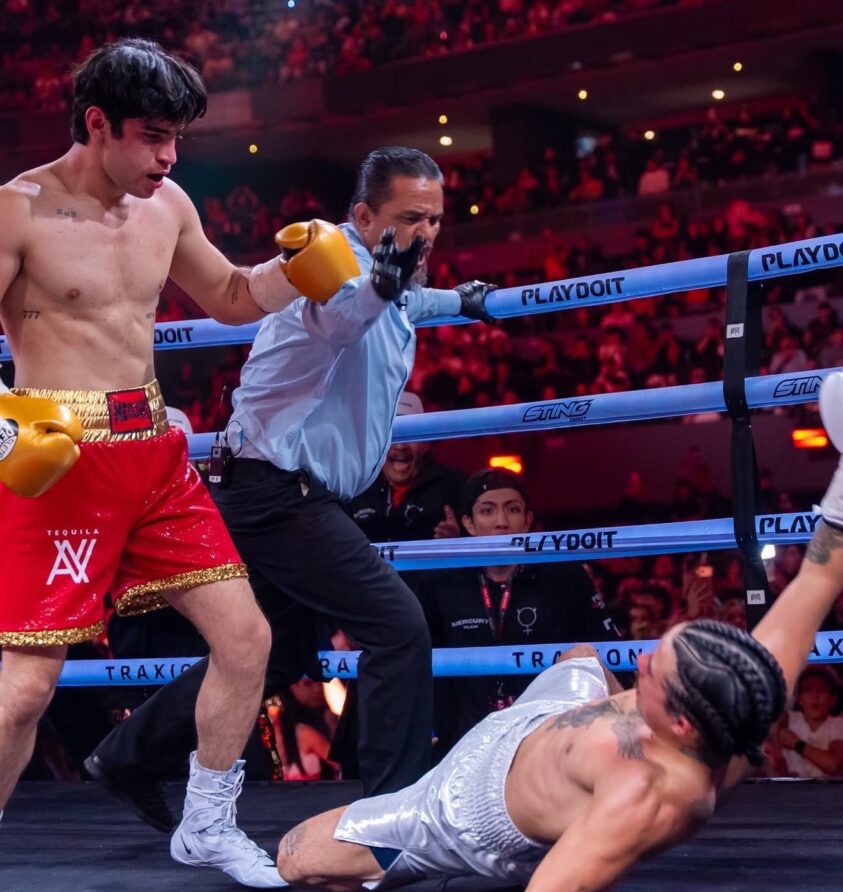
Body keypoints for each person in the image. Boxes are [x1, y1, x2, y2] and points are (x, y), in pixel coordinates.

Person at [277, 371, 843, 892]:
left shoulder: (646, 795)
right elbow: (819, 578)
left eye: (657, 670)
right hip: (542, 721)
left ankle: (459, 866)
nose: (643, 663)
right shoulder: (745, 688)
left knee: (297, 857)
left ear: (682, 723)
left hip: (466, 809)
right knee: (581, 656)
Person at [0, 38, 359, 888]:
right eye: (153, 137)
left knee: (246, 638)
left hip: (155, 453)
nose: (168, 157)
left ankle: (206, 826)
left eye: (177, 140)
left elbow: (231, 297)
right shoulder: (17, 210)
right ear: (98, 123)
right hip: (62, 461)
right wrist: (6, 429)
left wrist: (297, 272)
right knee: (26, 688)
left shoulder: (167, 205)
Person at [84, 146, 496, 828]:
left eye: (434, 219)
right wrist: (385, 287)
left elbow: (400, 300)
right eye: (409, 219)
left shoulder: (384, 276)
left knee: (272, 650)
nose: (425, 233)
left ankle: (128, 756)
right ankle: (389, 816)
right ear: (364, 216)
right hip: (279, 494)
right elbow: (345, 313)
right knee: (398, 628)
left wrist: (459, 299)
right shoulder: (325, 268)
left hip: (278, 490)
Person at [417, 467, 619, 755]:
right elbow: (420, 664)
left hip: (548, 741)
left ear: (527, 520)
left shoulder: (564, 575)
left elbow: (610, 651)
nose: (501, 522)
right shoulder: (440, 582)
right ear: (469, 523)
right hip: (462, 743)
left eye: (512, 509)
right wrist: (433, 727)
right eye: (487, 511)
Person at [345, 390, 466, 545]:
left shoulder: (455, 486)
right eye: (392, 435)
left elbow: (481, 545)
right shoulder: (354, 490)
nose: (400, 446)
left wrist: (458, 542)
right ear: (376, 443)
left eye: (410, 434)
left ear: (426, 443)